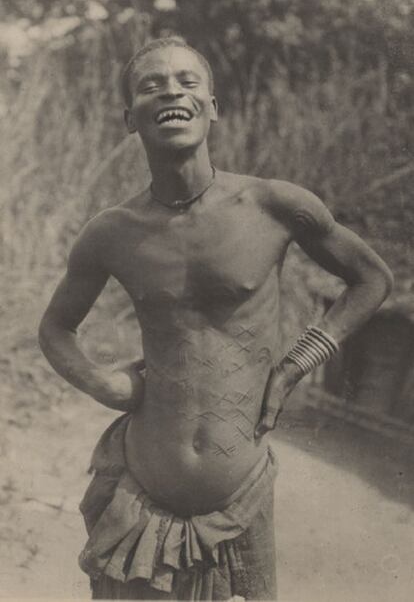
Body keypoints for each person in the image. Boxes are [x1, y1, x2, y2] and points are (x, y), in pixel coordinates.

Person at [38, 37, 393, 600]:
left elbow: (371, 278)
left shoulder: (273, 205)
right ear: (131, 117)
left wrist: (293, 366)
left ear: (212, 106)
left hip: (240, 496)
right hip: (140, 492)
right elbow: (55, 329)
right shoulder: (112, 231)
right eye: (151, 85)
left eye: (187, 81)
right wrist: (102, 382)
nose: (171, 91)